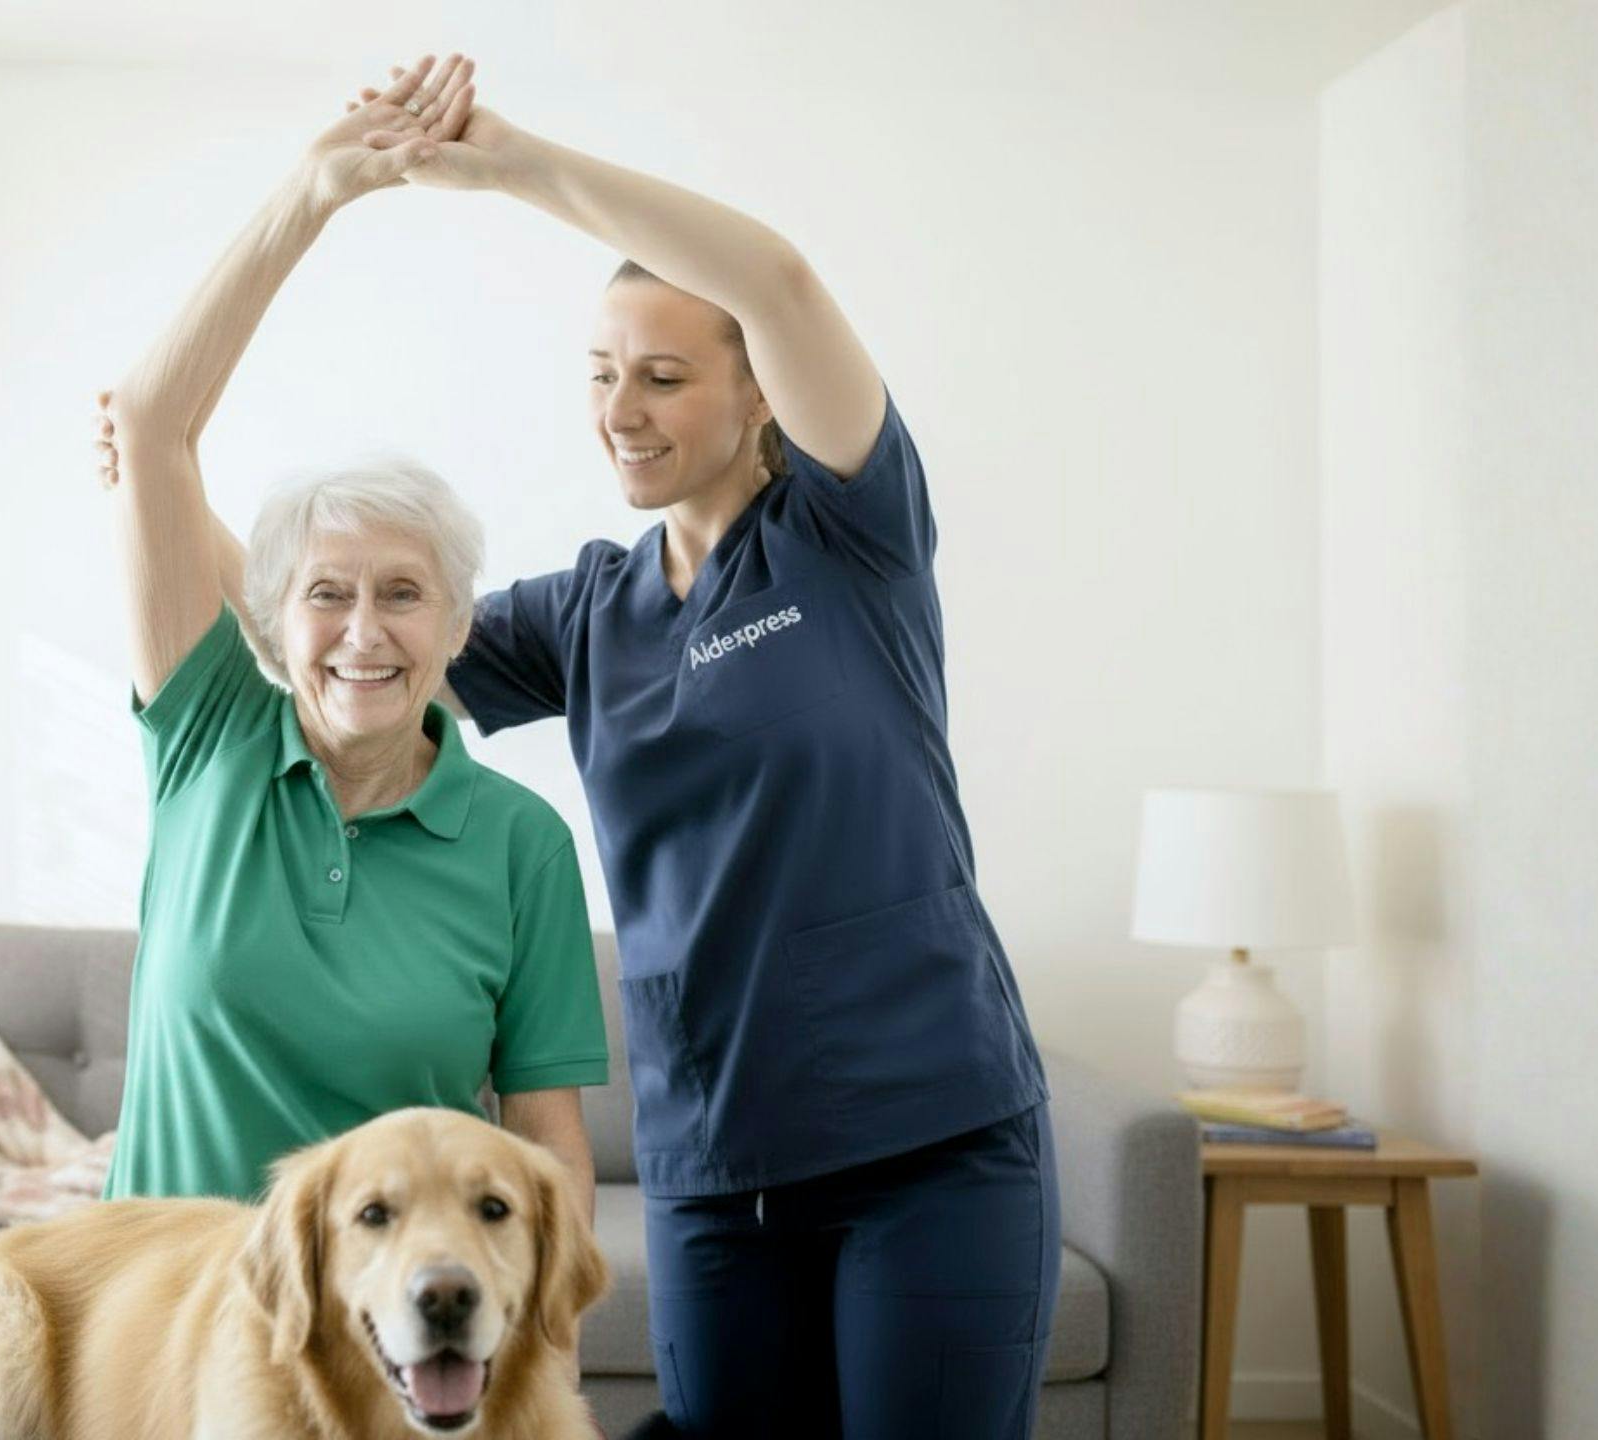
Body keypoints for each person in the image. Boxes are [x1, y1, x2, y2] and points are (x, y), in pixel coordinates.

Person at [334, 61, 1061, 1438]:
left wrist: (512, 163)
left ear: (760, 395)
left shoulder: (847, 536)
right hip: (713, 1177)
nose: (621, 408)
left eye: (664, 377)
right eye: (603, 374)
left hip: (930, 1146)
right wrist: (163, 467)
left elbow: (778, 280)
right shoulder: (587, 613)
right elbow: (347, 649)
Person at [91, 55, 608, 1220]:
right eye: (326, 593)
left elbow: (548, 1149)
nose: (362, 631)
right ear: (272, 617)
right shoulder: (208, 739)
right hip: (160, 1308)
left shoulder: (519, 845)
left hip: (386, 1316)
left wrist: (546, 1324)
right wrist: (313, 192)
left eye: (403, 594)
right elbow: (149, 420)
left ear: (457, 625)